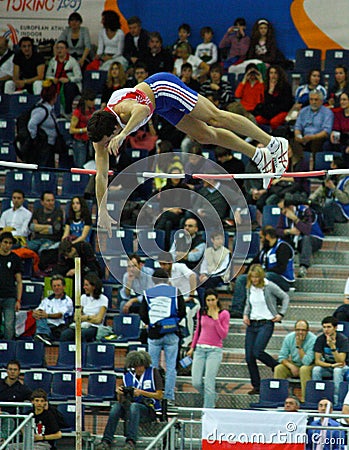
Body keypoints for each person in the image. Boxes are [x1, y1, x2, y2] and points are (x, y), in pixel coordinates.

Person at [87, 72, 289, 232]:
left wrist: (123, 135)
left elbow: (141, 111)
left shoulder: (123, 109)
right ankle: (258, 154)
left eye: (109, 140)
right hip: (160, 107)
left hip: (163, 88)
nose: (107, 145)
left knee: (214, 117)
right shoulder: (100, 138)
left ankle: (272, 142)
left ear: (114, 129)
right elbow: (101, 176)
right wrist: (102, 210)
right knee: (204, 136)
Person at [95, 351, 163, 450]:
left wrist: (141, 392)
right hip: (130, 409)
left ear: (145, 364)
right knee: (116, 407)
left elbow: (159, 395)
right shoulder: (128, 376)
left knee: (134, 406)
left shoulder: (153, 373)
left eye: (140, 366)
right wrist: (119, 392)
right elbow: (120, 400)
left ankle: (131, 441)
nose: (138, 369)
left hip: (148, 409)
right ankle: (106, 440)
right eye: (135, 366)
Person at [140, 269, 186, 406]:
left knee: (153, 366)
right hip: (171, 333)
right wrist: (172, 322)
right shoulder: (175, 291)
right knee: (171, 367)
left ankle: (154, 397)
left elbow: (142, 313)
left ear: (153, 280)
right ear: (167, 279)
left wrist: (151, 324)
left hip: (154, 334)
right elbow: (182, 311)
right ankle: (169, 397)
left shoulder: (147, 293)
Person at [243, 264, 289, 395]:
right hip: (252, 323)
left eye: (257, 277)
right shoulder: (249, 287)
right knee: (249, 357)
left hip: (266, 322)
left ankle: (275, 366)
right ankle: (256, 385)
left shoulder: (269, 286)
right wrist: (245, 315)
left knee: (257, 351)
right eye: (252, 277)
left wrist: (281, 313)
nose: (255, 280)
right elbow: (248, 303)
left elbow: (285, 296)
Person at [231, 225, 295, 317]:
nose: (260, 240)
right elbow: (254, 262)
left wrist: (261, 273)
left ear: (268, 236)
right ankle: (237, 309)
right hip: (264, 276)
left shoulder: (283, 247)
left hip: (283, 280)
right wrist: (246, 275)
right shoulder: (265, 249)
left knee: (267, 276)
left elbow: (281, 268)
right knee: (241, 279)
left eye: (261, 237)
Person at [187, 289, 229, 408]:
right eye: (208, 300)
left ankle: (208, 411)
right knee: (196, 382)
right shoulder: (202, 312)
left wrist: (216, 319)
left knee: (209, 383)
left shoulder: (224, 314)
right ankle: (212, 397)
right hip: (200, 349)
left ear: (217, 300)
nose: (210, 303)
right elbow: (198, 330)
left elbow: (223, 335)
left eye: (213, 300)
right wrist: (192, 347)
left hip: (214, 350)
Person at [276, 195, 324, 278]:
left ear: (291, 207)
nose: (282, 211)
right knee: (281, 240)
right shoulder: (283, 214)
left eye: (283, 208)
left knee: (306, 238)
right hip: (296, 239)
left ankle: (303, 267)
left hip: (314, 238)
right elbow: (277, 230)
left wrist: (295, 219)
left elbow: (307, 230)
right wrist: (288, 231)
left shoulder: (306, 211)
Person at [274, 319, 317, 402]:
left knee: (304, 369)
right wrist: (291, 366)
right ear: (294, 330)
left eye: (303, 330)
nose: (300, 332)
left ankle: (306, 400)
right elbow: (281, 357)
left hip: (310, 365)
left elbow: (307, 361)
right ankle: (278, 399)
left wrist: (299, 346)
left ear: (308, 331)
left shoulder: (313, 339)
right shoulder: (289, 338)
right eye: (298, 330)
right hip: (295, 364)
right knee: (279, 368)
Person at [60, 273, 108, 342]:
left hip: (94, 327)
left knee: (83, 334)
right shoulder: (83, 297)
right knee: (65, 334)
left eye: (86, 285)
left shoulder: (103, 299)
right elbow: (76, 318)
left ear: (94, 286)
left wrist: (83, 317)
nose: (84, 287)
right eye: (84, 285)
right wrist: (89, 317)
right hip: (80, 325)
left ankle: (84, 352)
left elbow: (98, 320)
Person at [313, 316, 349, 405]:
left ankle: (337, 401)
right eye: (324, 327)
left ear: (335, 328)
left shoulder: (343, 339)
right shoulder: (320, 339)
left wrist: (333, 347)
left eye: (329, 327)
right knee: (316, 370)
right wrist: (330, 365)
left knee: (337, 371)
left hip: (343, 368)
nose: (326, 330)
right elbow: (317, 361)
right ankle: (316, 398)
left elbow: (340, 362)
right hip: (329, 366)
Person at [294, 89, 334, 168]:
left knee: (316, 142)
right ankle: (297, 167)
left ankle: (312, 168)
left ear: (322, 101)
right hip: (304, 138)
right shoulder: (303, 111)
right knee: (292, 141)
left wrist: (312, 137)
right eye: (311, 99)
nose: (313, 102)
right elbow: (297, 127)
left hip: (318, 138)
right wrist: (297, 135)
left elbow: (326, 131)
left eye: (316, 99)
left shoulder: (327, 113)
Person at [25, 80, 60, 168]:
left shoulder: (50, 109)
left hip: (50, 146)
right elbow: (31, 124)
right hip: (42, 148)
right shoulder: (42, 110)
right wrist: (35, 140)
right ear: (54, 96)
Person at [154, 167, 191, 250]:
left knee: (165, 215)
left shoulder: (185, 189)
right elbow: (162, 207)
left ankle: (155, 233)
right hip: (168, 216)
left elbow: (185, 207)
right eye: (174, 175)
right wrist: (172, 209)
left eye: (178, 175)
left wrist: (169, 209)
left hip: (181, 217)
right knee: (168, 224)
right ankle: (167, 248)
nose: (176, 178)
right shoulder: (165, 189)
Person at [309, 156, 349, 233]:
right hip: (333, 208)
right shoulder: (332, 178)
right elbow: (320, 190)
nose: (330, 166)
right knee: (315, 205)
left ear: (335, 167)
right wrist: (309, 200)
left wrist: (333, 188)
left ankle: (329, 228)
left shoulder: (347, 181)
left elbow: (346, 199)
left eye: (332, 164)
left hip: (343, 212)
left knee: (329, 203)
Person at [33, 274, 74, 346]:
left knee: (42, 317)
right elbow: (38, 310)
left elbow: (59, 315)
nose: (56, 288)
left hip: (59, 326)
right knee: (39, 315)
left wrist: (46, 315)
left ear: (64, 287)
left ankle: (43, 335)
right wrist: (35, 313)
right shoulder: (47, 300)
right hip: (46, 324)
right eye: (54, 286)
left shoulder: (68, 301)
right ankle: (44, 335)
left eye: (58, 285)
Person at [46, 40, 82, 116]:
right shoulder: (53, 61)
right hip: (56, 84)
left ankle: (67, 112)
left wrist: (69, 79)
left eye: (61, 48)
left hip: (70, 85)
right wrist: (53, 79)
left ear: (66, 50)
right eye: (58, 48)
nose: (59, 50)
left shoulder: (72, 61)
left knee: (68, 86)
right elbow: (47, 75)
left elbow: (79, 76)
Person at [254, 65, 293, 130]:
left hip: (281, 111)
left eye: (275, 73)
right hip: (270, 112)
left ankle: (273, 137)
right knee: (257, 120)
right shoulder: (266, 86)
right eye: (271, 73)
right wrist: (270, 91)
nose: (273, 75)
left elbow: (286, 104)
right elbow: (266, 102)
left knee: (274, 122)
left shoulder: (286, 86)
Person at [0, 232, 22, 340]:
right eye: (5, 242)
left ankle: (9, 352)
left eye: (10, 243)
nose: (7, 245)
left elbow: (19, 281)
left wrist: (18, 300)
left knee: (9, 326)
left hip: (10, 297)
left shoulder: (15, 259)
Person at [69, 89, 96, 168]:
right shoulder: (77, 112)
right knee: (80, 165)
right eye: (91, 100)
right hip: (80, 142)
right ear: (86, 101)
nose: (93, 102)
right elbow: (71, 130)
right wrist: (84, 130)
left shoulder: (92, 110)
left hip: (89, 141)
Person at [323, 91, 349, 167]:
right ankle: (327, 167)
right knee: (327, 145)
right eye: (341, 100)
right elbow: (336, 128)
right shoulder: (338, 114)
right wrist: (333, 134)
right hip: (342, 139)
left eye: (344, 100)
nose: (342, 102)